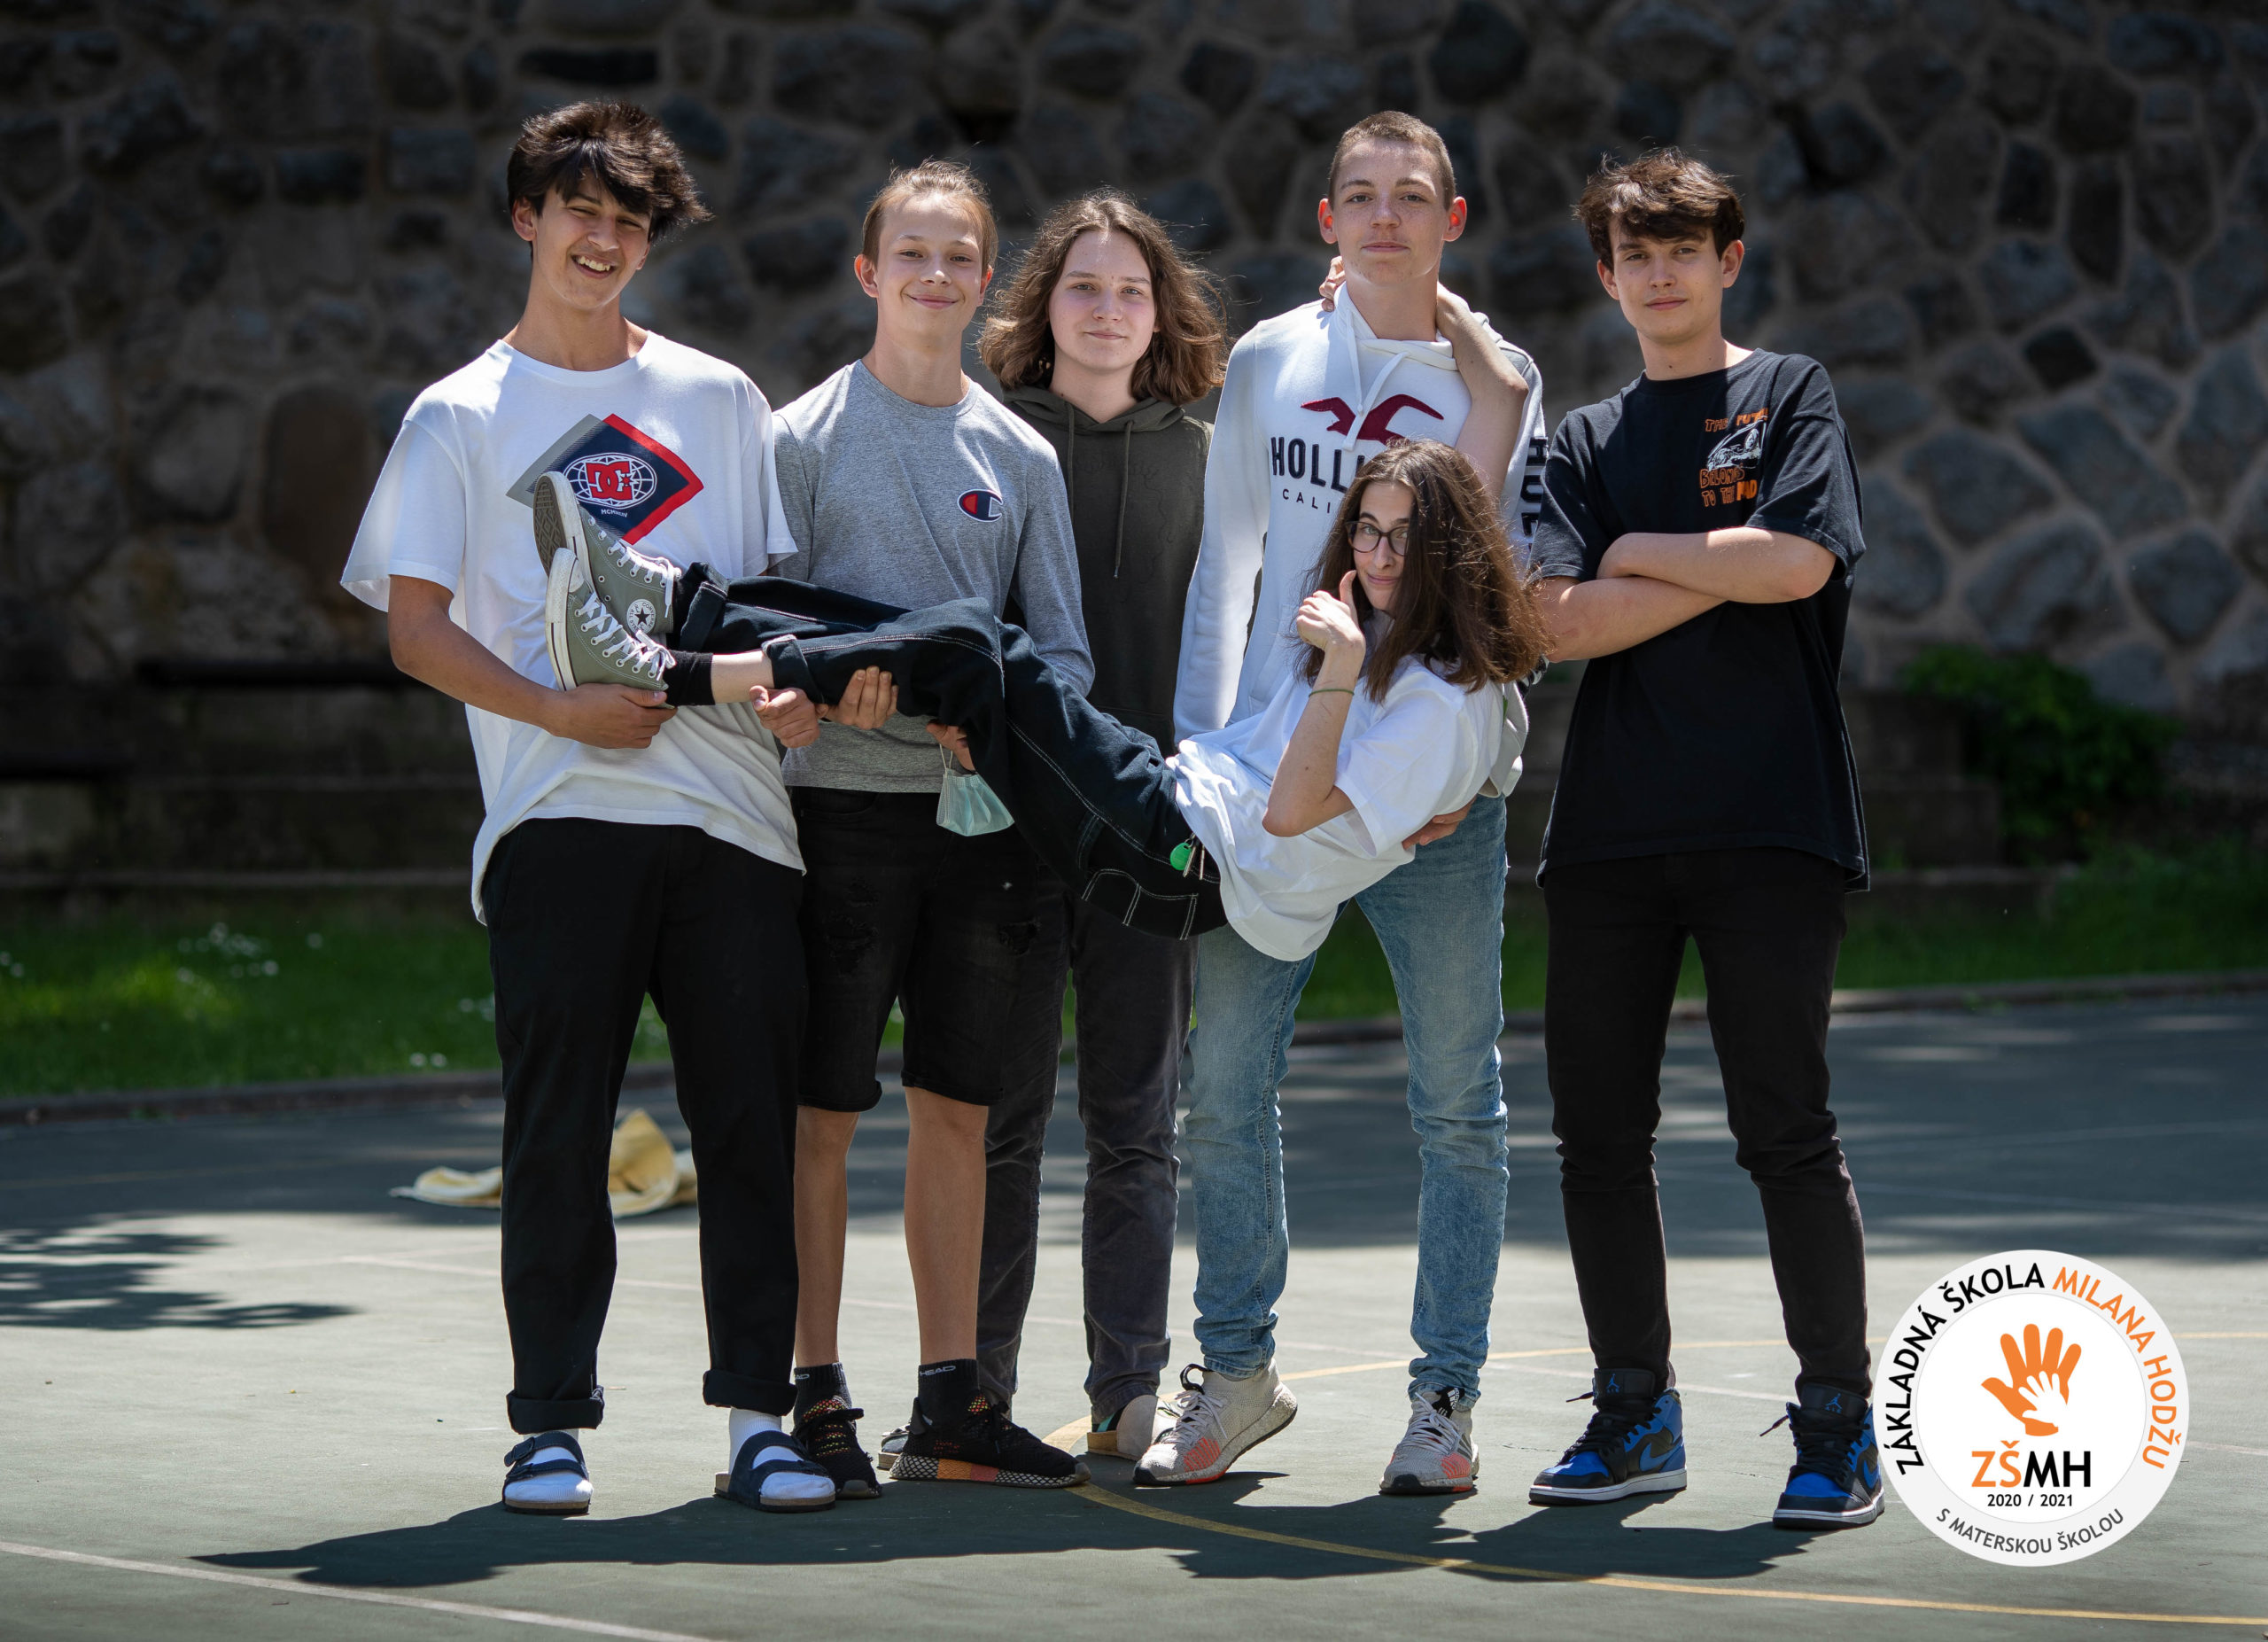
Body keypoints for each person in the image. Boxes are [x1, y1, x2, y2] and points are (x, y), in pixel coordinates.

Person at [342, 101, 841, 1517]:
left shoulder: (720, 400)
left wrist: (792, 697)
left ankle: (759, 1421)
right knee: (556, 1129)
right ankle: (548, 1427)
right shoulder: (458, 413)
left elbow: (762, 614)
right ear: (528, 219)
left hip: (736, 820)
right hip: (555, 813)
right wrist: (557, 709)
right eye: (580, 211)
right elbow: (416, 630)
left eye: (629, 221)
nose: (604, 239)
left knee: (748, 1128)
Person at [1152, 109, 1548, 1496]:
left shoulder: (1497, 378)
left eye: (1411, 196)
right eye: (1361, 196)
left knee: (1457, 1106)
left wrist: (1479, 767)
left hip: (1431, 803)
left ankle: (1444, 1402)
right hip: (1274, 780)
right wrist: (1201, 756)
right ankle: (1237, 1376)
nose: (1385, 217)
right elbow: (1226, 567)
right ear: (1326, 220)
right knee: (1221, 1090)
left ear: (1452, 217)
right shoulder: (1271, 358)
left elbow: (1499, 596)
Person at [1522, 149, 1881, 1529]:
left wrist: (1635, 552)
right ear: (1607, 276)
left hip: (1773, 822)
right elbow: (1555, 621)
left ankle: (1837, 1424)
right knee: (1597, 1138)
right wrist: (1717, 562)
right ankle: (1635, 1411)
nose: (1661, 272)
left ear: (1728, 261)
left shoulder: (1789, 393)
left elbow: (1801, 561)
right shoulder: (1580, 441)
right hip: (1610, 837)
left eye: (1685, 248)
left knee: (1785, 1128)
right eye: (1637, 252)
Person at [768, 159, 1091, 1492]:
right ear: (869, 272)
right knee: (822, 1115)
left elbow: (1062, 658)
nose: (936, 275)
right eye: (912, 252)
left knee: (959, 1109)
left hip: (978, 836)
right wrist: (807, 701)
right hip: (835, 823)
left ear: (986, 279)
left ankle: (952, 1395)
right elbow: (762, 638)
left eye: (960, 256)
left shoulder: (1020, 456)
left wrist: (992, 721)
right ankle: (812, 1390)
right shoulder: (798, 439)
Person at [967, 190, 1230, 1461]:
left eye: (1133, 289)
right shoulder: (986, 441)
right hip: (1007, 831)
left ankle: (1129, 1385)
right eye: (1084, 285)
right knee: (1001, 1122)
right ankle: (973, 1389)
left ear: (1163, 311)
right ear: (1044, 303)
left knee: (1136, 1123)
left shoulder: (1214, 458)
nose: (1109, 309)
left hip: (1149, 836)